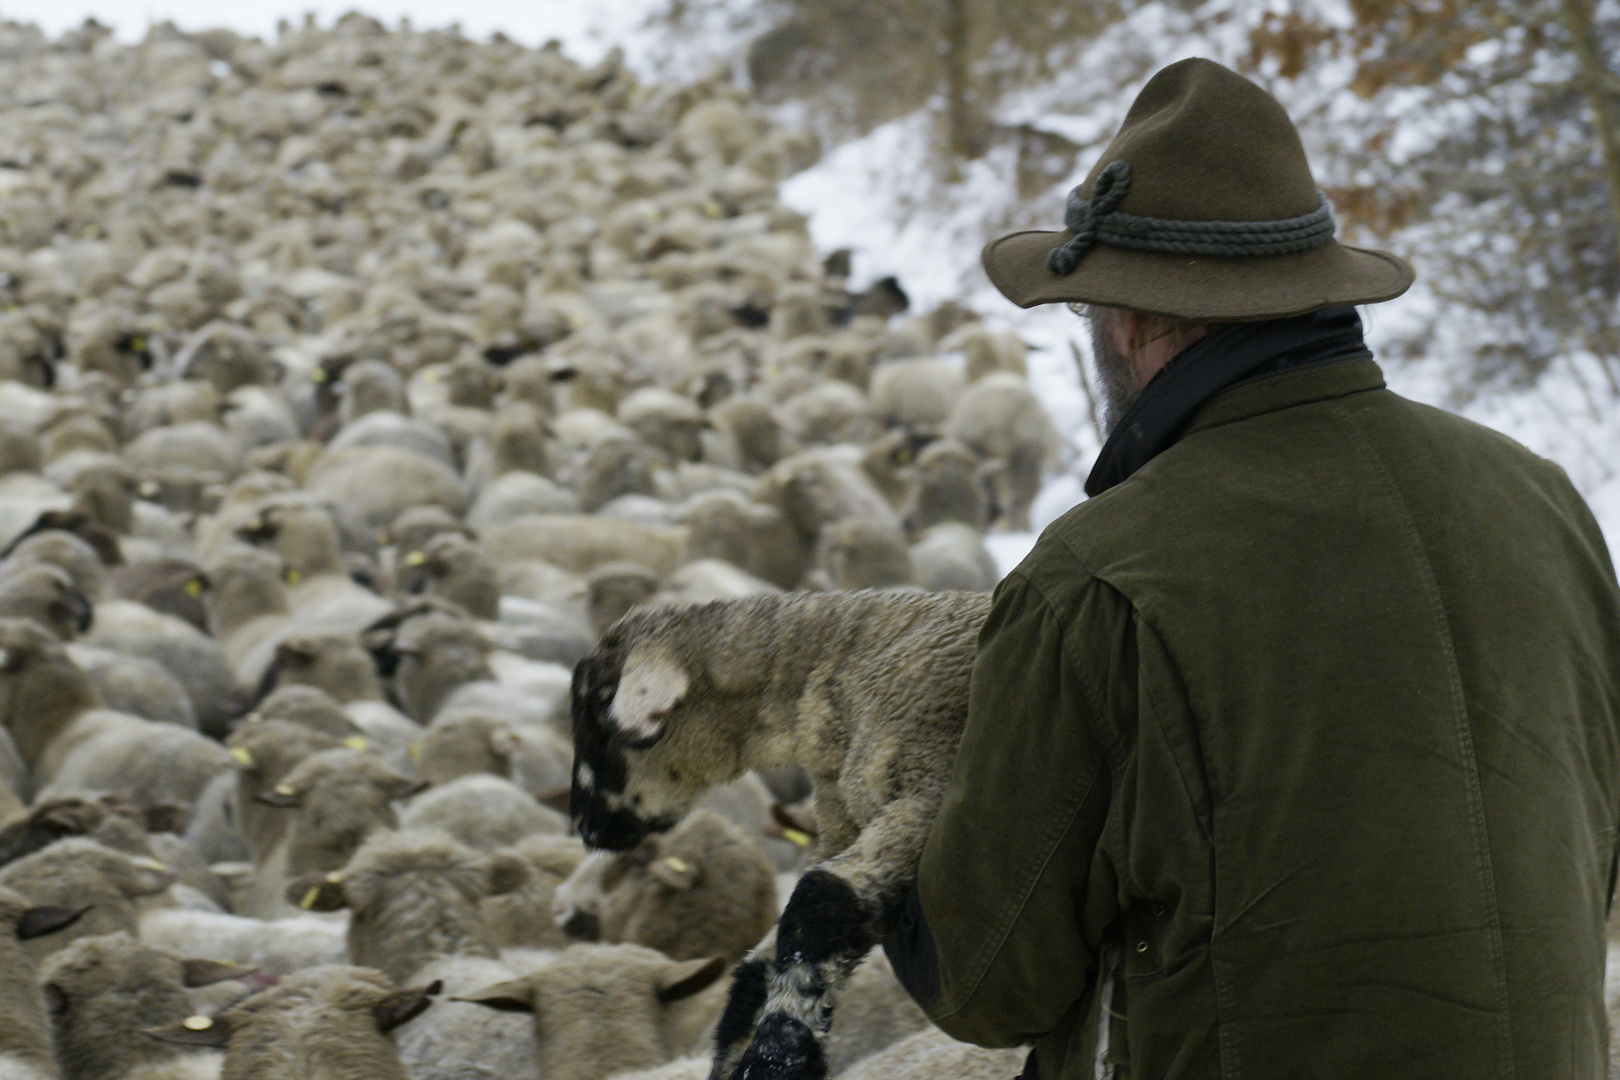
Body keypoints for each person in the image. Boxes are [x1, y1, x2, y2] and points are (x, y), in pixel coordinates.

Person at [883, 57, 1620, 1080]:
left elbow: (984, 980)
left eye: (1088, 315)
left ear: (1132, 323)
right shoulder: (1543, 500)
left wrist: (888, 838)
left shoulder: (1100, 579)